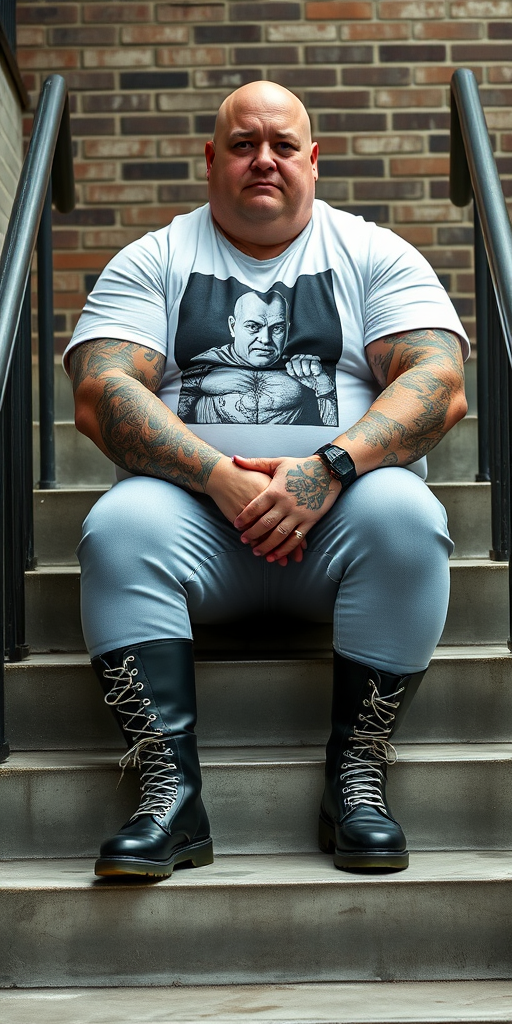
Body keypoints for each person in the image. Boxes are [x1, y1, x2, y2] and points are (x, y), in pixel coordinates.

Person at [65, 81, 469, 880]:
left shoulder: (372, 253)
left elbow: (439, 382)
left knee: (405, 510)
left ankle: (356, 783)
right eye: (244, 145)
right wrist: (218, 477)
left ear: (312, 160)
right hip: (197, 536)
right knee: (119, 524)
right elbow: (100, 394)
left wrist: (330, 468)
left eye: (283, 145)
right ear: (211, 161)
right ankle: (170, 794)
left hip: (338, 535)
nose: (264, 160)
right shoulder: (156, 258)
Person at [178, 287, 338, 424]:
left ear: (287, 330)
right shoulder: (203, 367)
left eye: (277, 328)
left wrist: (324, 388)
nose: (266, 339)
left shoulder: (303, 371)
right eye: (253, 326)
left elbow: (330, 428)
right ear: (233, 327)